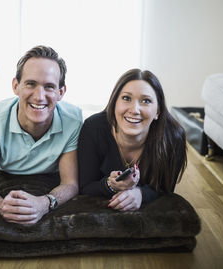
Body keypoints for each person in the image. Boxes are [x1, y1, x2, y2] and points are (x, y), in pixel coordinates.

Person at [0, 46, 83, 225]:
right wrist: (2, 206)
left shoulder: (73, 120)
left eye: (49, 87)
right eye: (31, 84)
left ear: (61, 92)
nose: (39, 96)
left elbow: (70, 184)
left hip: (49, 180)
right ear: (16, 86)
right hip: (7, 175)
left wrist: (44, 203)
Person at [77, 68, 187, 211]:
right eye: (126, 98)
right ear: (114, 103)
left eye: (146, 101)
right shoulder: (93, 127)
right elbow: (85, 186)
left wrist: (140, 193)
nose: (134, 109)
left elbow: (166, 189)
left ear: (158, 111)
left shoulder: (173, 137)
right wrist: (110, 185)